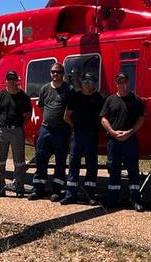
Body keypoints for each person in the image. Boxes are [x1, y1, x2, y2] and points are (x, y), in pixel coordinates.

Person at [100, 72, 146, 212]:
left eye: (124, 81)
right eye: (119, 82)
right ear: (116, 83)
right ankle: (112, 199)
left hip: (129, 139)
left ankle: (135, 199)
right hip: (113, 141)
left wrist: (130, 132)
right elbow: (103, 118)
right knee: (113, 169)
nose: (122, 84)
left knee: (133, 169)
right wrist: (113, 132)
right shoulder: (110, 100)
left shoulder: (135, 99)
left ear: (128, 82)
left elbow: (141, 119)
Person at [28, 62, 73, 201]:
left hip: (62, 131)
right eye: (53, 72)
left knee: (60, 160)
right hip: (46, 129)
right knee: (41, 158)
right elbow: (42, 107)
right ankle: (38, 188)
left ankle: (57, 190)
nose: (56, 74)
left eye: (58, 72)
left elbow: (71, 110)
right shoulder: (45, 89)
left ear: (63, 74)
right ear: (50, 73)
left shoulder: (68, 89)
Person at [61, 72, 104, 206]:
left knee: (92, 165)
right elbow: (66, 116)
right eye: (85, 81)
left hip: (91, 135)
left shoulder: (99, 98)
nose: (87, 83)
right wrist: (76, 127)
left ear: (94, 84)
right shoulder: (75, 97)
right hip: (78, 135)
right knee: (73, 163)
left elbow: (103, 117)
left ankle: (89, 194)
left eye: (90, 81)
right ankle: (70, 194)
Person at [0, 70, 32, 198]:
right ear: (6, 80)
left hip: (17, 131)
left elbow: (28, 115)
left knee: (19, 161)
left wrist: (18, 126)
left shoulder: (23, 97)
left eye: (14, 79)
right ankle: (0, 186)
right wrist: (1, 125)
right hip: (2, 130)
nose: (12, 81)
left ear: (17, 80)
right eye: (9, 79)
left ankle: (19, 186)